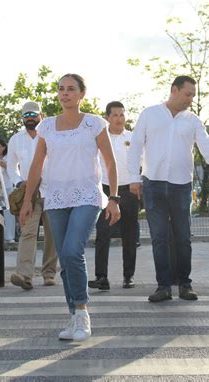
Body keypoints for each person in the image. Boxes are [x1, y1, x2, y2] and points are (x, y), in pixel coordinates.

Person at [20, 74, 120, 341]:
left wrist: (114, 198)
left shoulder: (94, 124)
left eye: (71, 89)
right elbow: (36, 165)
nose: (65, 94)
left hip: (87, 196)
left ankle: (82, 310)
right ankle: (73, 316)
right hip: (55, 198)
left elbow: (110, 163)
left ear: (81, 94)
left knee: (72, 251)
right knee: (65, 258)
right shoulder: (47, 127)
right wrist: (28, 200)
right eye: (61, 89)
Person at [128, 75, 209, 303]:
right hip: (153, 184)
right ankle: (163, 286)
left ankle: (185, 284)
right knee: (159, 237)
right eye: (187, 94)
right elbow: (136, 145)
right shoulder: (150, 114)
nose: (190, 99)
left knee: (183, 237)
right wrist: (133, 178)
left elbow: (207, 148)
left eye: (193, 95)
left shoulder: (193, 121)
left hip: (181, 186)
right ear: (174, 90)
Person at [89, 101, 139, 290]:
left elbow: (141, 162)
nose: (119, 119)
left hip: (129, 190)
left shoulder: (133, 138)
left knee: (130, 235)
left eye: (122, 115)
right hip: (105, 190)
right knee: (103, 233)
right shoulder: (100, 138)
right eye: (115, 115)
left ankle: (128, 276)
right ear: (107, 118)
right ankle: (101, 277)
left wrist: (138, 183)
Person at [7, 101, 57, 290]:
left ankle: (49, 273)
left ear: (41, 116)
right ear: (22, 118)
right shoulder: (15, 140)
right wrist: (20, 182)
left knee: (53, 234)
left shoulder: (51, 136)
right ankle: (25, 275)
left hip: (51, 190)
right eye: (26, 116)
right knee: (28, 232)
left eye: (33, 115)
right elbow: (11, 167)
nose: (30, 119)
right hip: (29, 193)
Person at [0, 138, 16, 244]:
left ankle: (9, 237)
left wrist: (7, 166)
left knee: (9, 213)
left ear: (4, 147)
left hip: (8, 187)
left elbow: (15, 171)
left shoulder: (9, 157)